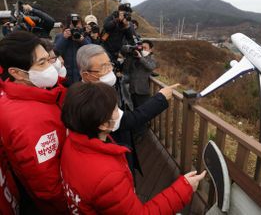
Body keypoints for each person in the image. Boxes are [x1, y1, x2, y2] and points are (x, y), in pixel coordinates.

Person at [61, 81, 206, 214]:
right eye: (115, 108)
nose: (120, 112)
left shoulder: (72, 143)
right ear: (104, 125)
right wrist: (184, 188)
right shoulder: (109, 178)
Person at [76, 44, 176, 176]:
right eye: (103, 67)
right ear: (86, 75)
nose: (109, 70)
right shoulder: (92, 100)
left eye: (109, 64)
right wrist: (161, 98)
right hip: (113, 156)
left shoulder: (93, 88)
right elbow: (128, 120)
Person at [0, 31, 68, 214]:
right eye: (41, 63)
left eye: (48, 59)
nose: (50, 68)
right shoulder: (29, 121)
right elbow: (48, 187)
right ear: (16, 72)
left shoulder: (32, 94)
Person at [54, 13, 91, 86]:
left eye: (78, 24)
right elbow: (55, 52)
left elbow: (90, 52)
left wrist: (82, 40)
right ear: (68, 25)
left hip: (81, 77)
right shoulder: (60, 37)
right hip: (66, 77)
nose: (76, 27)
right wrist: (64, 38)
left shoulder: (85, 37)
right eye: (73, 24)